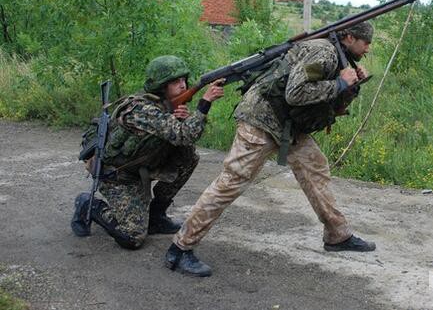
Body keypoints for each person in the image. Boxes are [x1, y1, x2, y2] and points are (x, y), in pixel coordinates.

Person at [164, 22, 377, 277]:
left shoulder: (338, 56)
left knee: (315, 170)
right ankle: (179, 249)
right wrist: (340, 84)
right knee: (230, 183)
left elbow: (326, 100)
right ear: (350, 37)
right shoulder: (324, 52)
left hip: (288, 125)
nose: (368, 48)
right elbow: (296, 93)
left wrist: (350, 87)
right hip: (261, 121)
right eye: (366, 42)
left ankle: (337, 235)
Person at [71, 55, 224, 249]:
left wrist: (180, 119)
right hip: (118, 177)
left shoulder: (165, 105)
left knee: (187, 156)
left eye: (184, 79)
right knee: (132, 237)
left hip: (140, 165)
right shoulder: (142, 109)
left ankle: (156, 216)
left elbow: (178, 137)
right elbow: (184, 134)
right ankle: (89, 205)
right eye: (175, 81)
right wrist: (205, 103)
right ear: (161, 85)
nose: (183, 85)